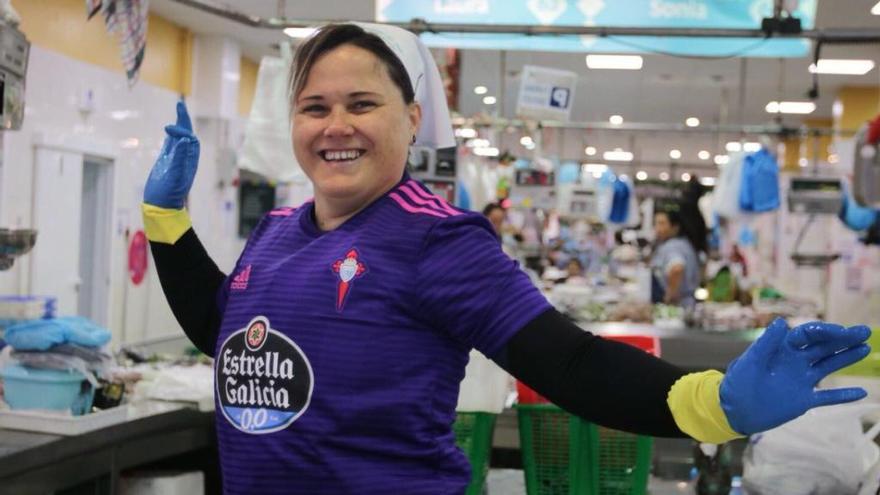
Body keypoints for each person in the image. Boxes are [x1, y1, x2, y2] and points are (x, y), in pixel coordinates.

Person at [142, 23, 872, 494]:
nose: (337, 126)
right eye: (315, 107)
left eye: (362, 104)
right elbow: (228, 339)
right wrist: (167, 221)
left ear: (411, 119)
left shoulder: (436, 238)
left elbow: (569, 364)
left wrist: (710, 402)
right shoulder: (276, 229)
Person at [652, 208, 702, 307]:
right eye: (656, 223)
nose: (657, 228)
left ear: (675, 227)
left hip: (678, 304)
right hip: (688, 302)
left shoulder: (673, 246)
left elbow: (677, 269)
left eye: (662, 223)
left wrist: (669, 296)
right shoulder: (683, 243)